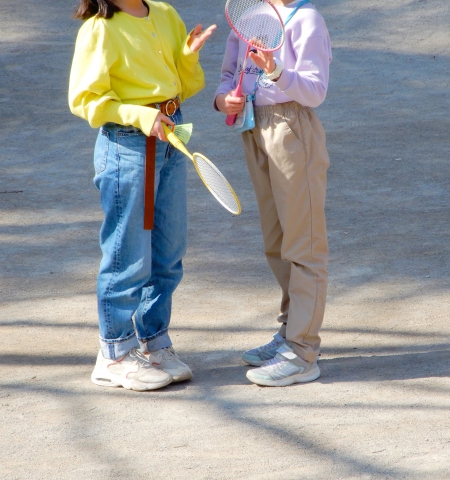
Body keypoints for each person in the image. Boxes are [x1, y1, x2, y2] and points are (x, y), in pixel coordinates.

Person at [68, 0, 216, 391]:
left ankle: (153, 342)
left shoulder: (165, 15)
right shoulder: (99, 29)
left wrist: (186, 57)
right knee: (127, 254)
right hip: (128, 144)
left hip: (172, 133)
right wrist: (140, 116)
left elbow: (185, 87)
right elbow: (86, 100)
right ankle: (114, 353)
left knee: (169, 251)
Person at [214, 0, 331, 386]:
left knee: (304, 244)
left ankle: (302, 351)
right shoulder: (249, 17)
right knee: (276, 242)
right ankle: (288, 332)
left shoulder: (308, 19)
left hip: (291, 128)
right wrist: (223, 100)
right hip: (252, 128)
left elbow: (314, 91)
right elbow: (229, 75)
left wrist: (275, 70)